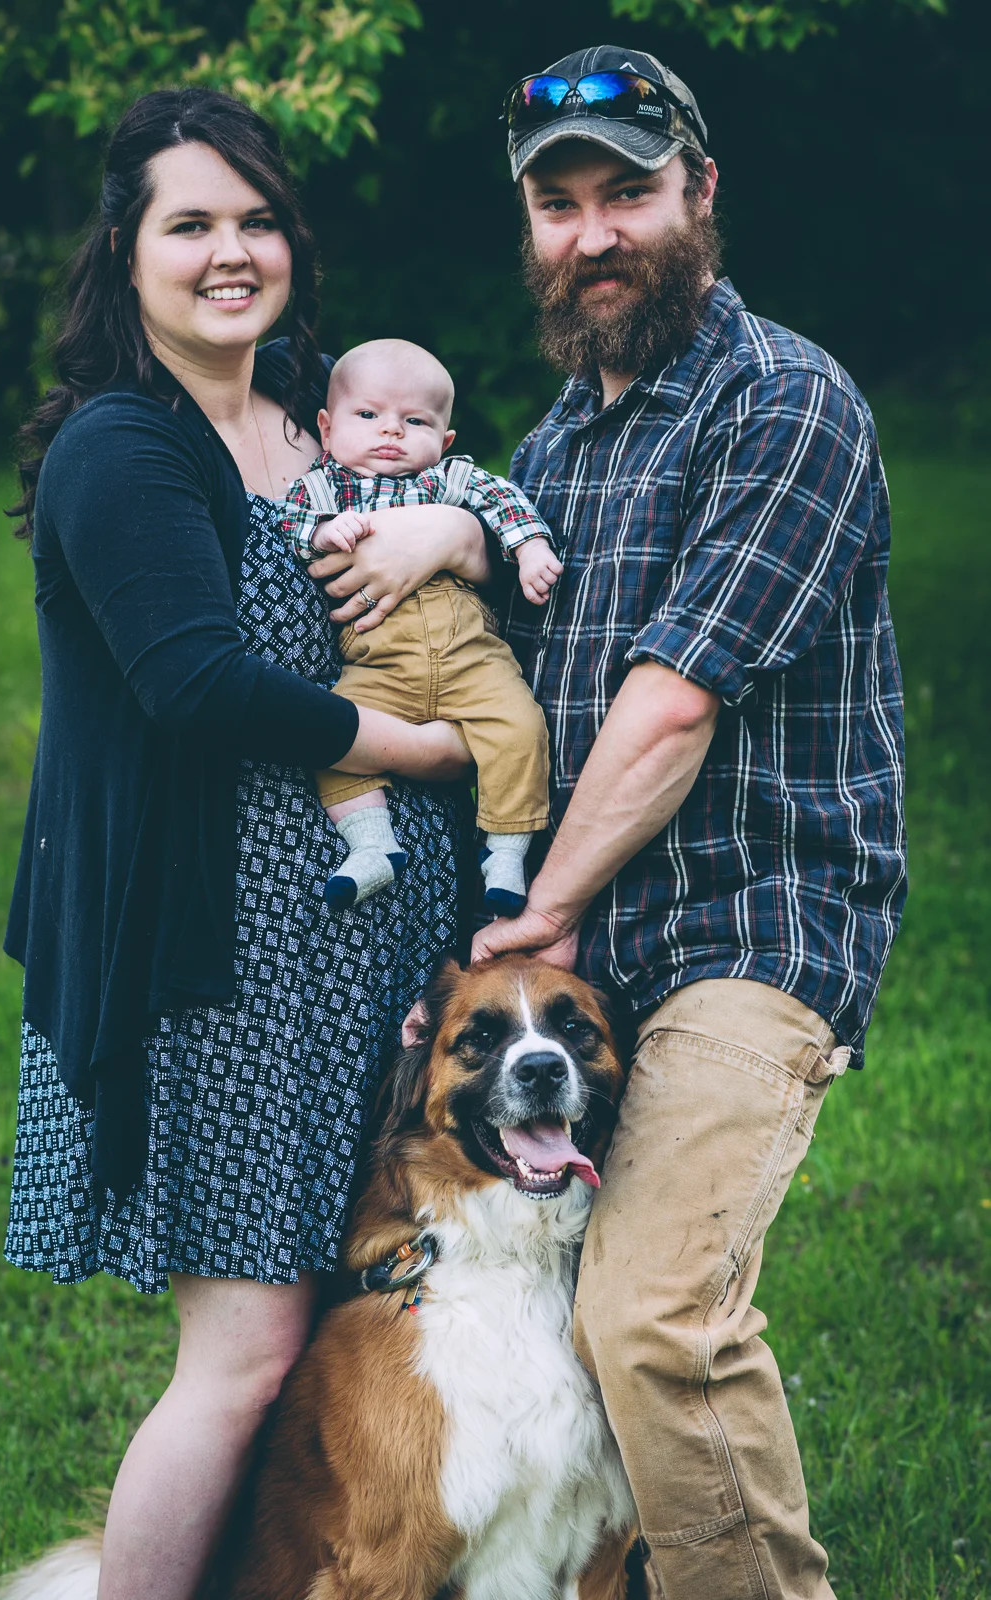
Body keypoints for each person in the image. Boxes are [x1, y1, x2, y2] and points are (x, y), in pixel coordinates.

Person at [2, 88, 487, 1600]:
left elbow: (475, 514)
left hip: (361, 964)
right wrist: (436, 750)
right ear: (123, 248)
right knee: (246, 1353)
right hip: (218, 971)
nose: (231, 252)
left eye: (257, 220)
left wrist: (456, 534)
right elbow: (197, 686)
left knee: (358, 1321)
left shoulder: (313, 415)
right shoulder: (120, 450)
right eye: (191, 223)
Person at [473, 44, 907, 1600]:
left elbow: (670, 708)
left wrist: (539, 910)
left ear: (701, 193)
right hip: (594, 949)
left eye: (629, 194)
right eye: (560, 205)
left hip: (751, 924)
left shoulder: (783, 401)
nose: (594, 235)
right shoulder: (548, 453)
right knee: (551, 1323)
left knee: (652, 1313)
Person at [282, 337, 561, 913]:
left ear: (444, 440)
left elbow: (507, 501)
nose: (391, 431)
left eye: (415, 421)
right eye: (368, 415)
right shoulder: (321, 487)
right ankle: (371, 843)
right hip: (376, 661)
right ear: (327, 430)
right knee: (333, 735)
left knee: (521, 727)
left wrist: (531, 548)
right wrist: (321, 532)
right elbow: (289, 522)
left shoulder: (448, 478)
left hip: (470, 657)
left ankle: (505, 851)